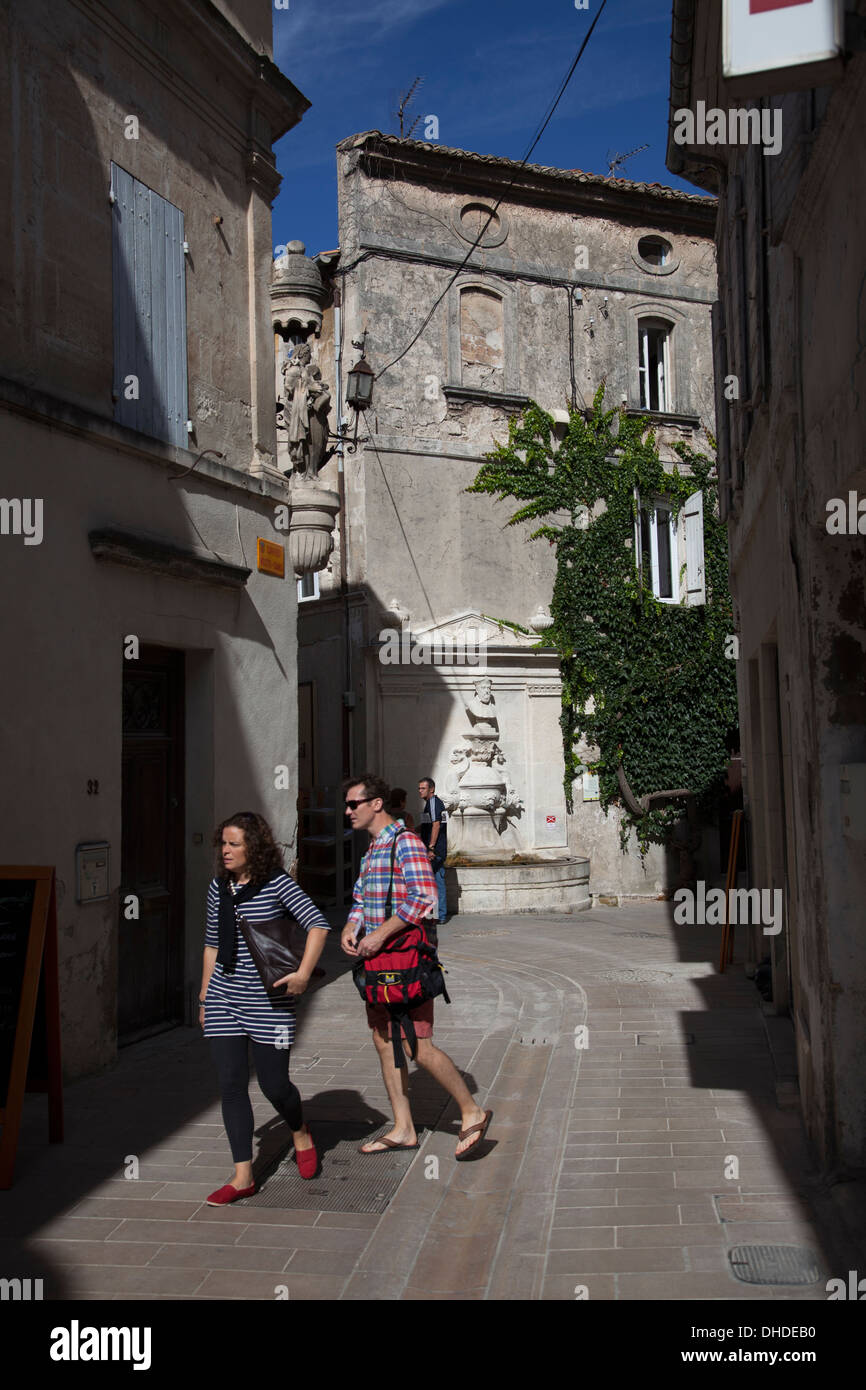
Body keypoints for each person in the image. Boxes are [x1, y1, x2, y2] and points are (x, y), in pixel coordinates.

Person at [341, 774, 492, 1159]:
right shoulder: (373, 848)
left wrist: (380, 934)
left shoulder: (405, 842)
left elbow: (424, 899)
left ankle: (472, 1112)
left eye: (353, 803)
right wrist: (352, 926)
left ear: (376, 804)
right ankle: (404, 1127)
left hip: (405, 961)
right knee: (382, 1038)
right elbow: (361, 898)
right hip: (377, 963)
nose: (348, 811)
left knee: (416, 1046)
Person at [199, 811, 330, 1203]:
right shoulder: (218, 887)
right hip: (224, 997)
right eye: (222, 843)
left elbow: (318, 924)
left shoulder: (277, 884)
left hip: (269, 1001)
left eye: (234, 844)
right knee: (231, 1085)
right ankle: (243, 1175)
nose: (225, 850)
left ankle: (300, 1130)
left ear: (253, 847)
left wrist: (304, 975)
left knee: (275, 1086)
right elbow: (210, 943)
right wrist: (205, 997)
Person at [418, 776, 448, 925]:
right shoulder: (429, 804)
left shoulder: (434, 803)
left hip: (435, 850)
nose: (420, 791)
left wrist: (431, 848)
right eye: (419, 788)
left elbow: (436, 825)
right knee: (436, 880)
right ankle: (437, 914)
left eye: (423, 788)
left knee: (435, 882)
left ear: (432, 789)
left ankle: (439, 915)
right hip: (434, 848)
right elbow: (427, 826)